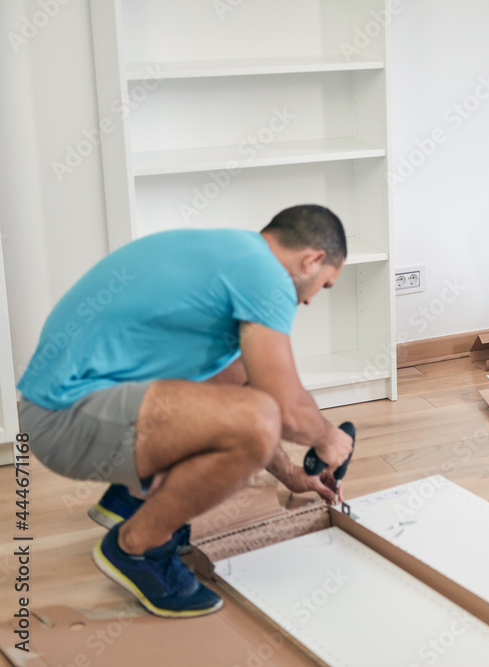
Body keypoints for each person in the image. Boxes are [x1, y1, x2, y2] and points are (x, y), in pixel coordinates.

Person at [17, 204, 355, 618]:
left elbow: (249, 390)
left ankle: (129, 501)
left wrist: (294, 477)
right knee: (259, 417)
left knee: (239, 377)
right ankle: (136, 548)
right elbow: (284, 410)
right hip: (65, 417)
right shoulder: (266, 278)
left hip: (69, 402)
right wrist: (331, 439)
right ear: (313, 260)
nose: (310, 301)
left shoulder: (233, 253)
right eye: (325, 285)